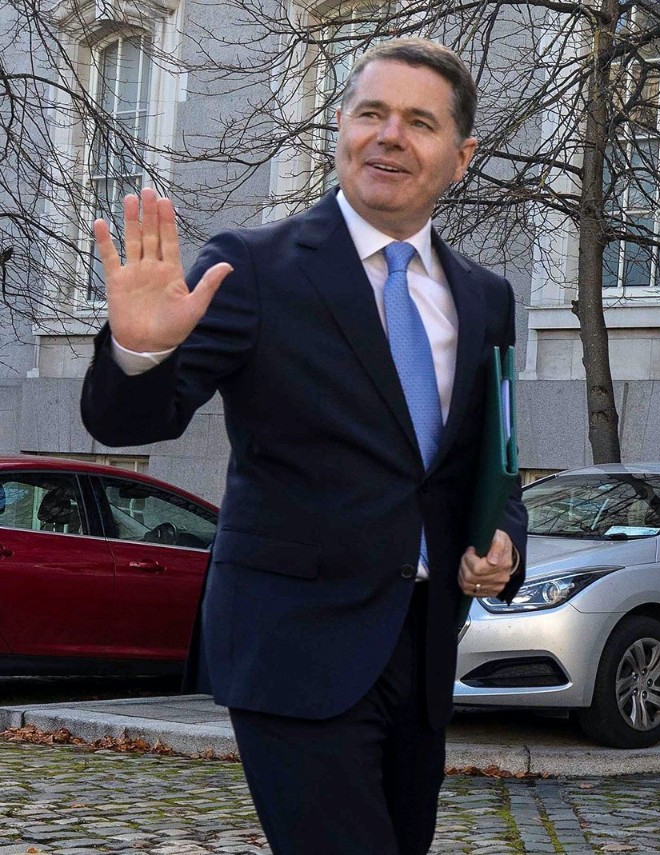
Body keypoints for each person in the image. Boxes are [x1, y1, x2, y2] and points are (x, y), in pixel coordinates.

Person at [80, 38, 527, 855]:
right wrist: (139, 351)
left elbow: (491, 464)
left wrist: (503, 543)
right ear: (340, 130)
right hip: (294, 651)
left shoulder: (484, 298)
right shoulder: (253, 268)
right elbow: (130, 423)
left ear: (459, 157)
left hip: (421, 651)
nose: (389, 135)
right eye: (371, 114)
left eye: (419, 122)